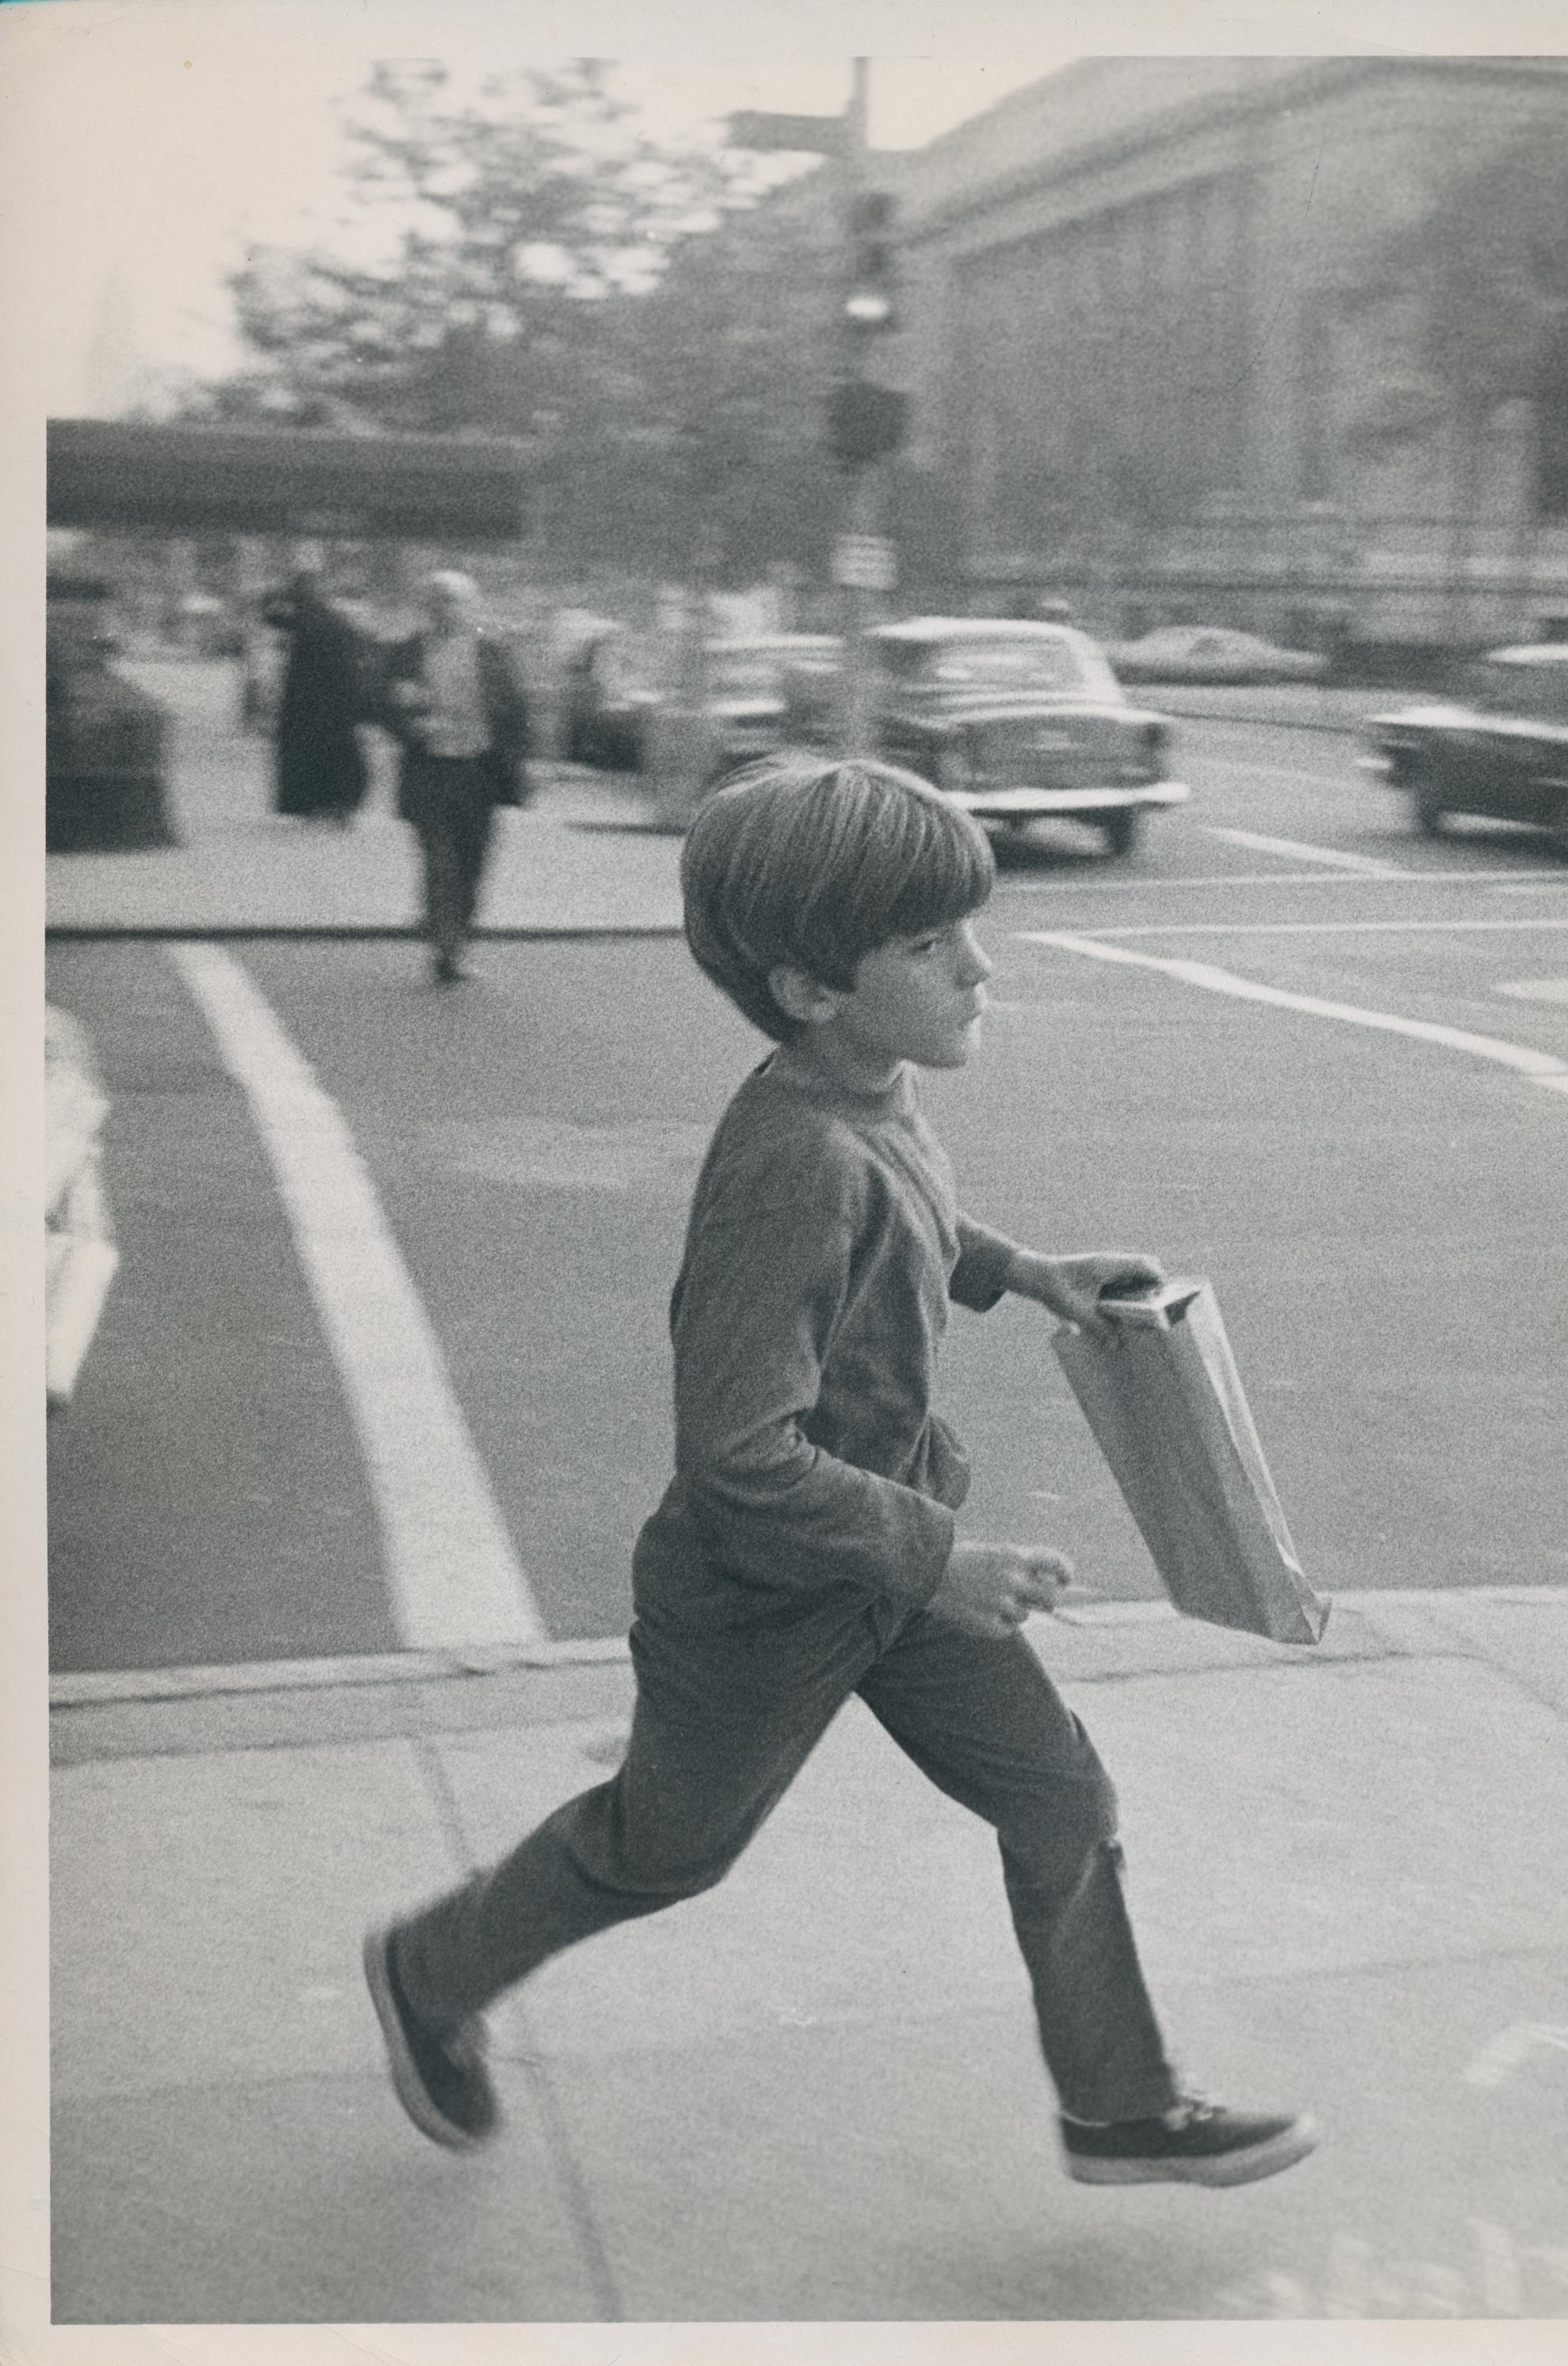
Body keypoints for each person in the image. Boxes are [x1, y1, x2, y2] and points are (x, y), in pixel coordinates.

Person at [362, 753, 1320, 2192]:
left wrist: (1023, 1270)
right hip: (761, 1599)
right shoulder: (792, 1162)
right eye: (929, 943)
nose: (978, 967)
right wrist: (945, 1560)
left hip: (890, 1565)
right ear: (811, 986)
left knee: (1057, 1798)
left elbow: (910, 1223)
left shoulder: (865, 1088)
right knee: (661, 1849)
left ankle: (1116, 2105)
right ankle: (429, 1968)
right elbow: (736, 1450)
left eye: (964, 926)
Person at [382, 570, 530, 983]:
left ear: (470, 607)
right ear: (425, 610)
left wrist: (523, 760)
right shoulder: (408, 654)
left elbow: (517, 711)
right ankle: (445, 947)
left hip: (479, 773)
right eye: (435, 603)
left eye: (452, 602)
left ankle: (454, 934)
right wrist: (412, 727)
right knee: (439, 860)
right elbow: (382, 702)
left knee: (473, 861)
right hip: (430, 771)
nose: (444, 611)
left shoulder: (492, 653)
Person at [262, 569, 370, 827]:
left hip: (306, 703)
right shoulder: (336, 620)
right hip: (336, 704)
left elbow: (271, 616)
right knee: (338, 755)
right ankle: (341, 805)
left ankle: (316, 804)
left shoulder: (304, 618)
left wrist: (275, 594)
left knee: (308, 755)